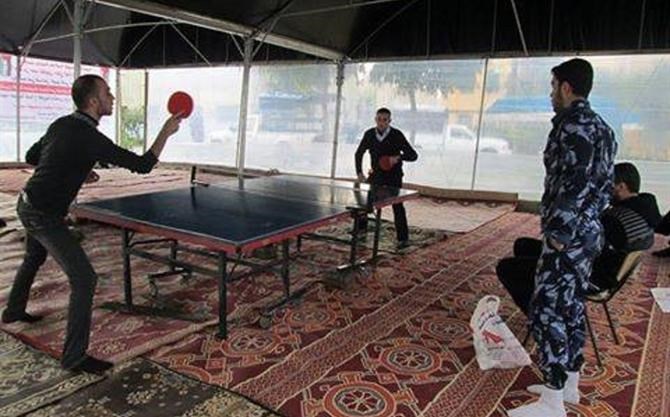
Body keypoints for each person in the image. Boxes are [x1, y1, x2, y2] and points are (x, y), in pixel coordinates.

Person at [1, 74, 182, 374]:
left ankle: (13, 311)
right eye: (108, 93)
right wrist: (166, 131)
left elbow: (33, 156)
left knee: (34, 256)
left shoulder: (62, 124)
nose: (112, 98)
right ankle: (74, 356)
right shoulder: (89, 138)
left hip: (27, 203)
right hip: (43, 214)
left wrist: (77, 168)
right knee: (84, 279)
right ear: (94, 101)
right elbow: (143, 165)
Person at [506, 59, 618, 417]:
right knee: (572, 307)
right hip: (587, 235)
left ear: (567, 87)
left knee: (547, 309)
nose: (551, 93)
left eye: (553, 86)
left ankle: (552, 400)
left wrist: (559, 235)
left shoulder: (572, 127)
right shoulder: (603, 128)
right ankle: (569, 383)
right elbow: (604, 188)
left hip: (567, 238)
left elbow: (574, 184)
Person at [497, 162, 661, 316]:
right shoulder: (644, 211)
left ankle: (543, 316)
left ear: (621, 186)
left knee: (507, 267)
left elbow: (578, 246)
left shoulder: (617, 220)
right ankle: (545, 296)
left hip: (590, 275)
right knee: (523, 245)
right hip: (602, 265)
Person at [354, 107, 418, 249]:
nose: (381, 122)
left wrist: (398, 157)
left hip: (394, 177)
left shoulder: (397, 135)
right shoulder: (369, 134)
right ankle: (361, 231)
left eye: (385, 120)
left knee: (397, 205)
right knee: (364, 202)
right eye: (379, 119)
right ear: (375, 120)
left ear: (389, 121)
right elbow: (359, 153)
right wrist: (359, 173)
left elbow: (413, 155)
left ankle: (403, 238)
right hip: (376, 175)